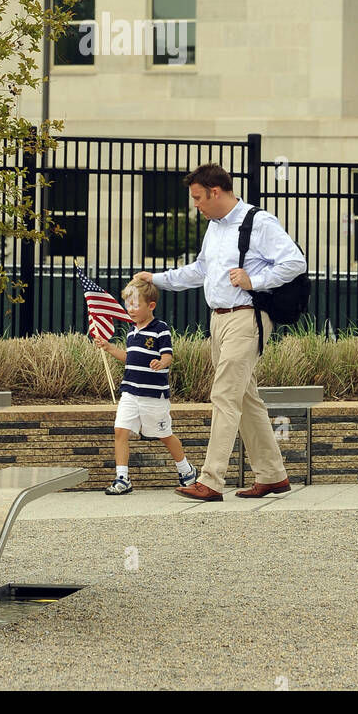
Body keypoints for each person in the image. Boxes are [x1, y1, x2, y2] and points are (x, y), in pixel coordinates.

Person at [135, 163, 306, 501]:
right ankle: (273, 476)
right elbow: (200, 270)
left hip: (247, 317)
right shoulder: (214, 227)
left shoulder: (259, 222)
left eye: (198, 197)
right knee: (245, 398)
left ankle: (211, 480)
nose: (195, 205)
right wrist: (156, 279)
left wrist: (254, 280)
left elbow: (294, 262)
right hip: (219, 320)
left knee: (224, 395)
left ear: (215, 192)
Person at [93, 276, 197, 495]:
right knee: (120, 431)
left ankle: (186, 470)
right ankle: (122, 478)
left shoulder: (160, 328)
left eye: (135, 305)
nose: (130, 309)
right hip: (130, 391)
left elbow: (168, 355)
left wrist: (162, 362)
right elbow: (130, 358)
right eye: (127, 304)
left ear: (150, 306)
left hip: (153, 396)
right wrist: (110, 348)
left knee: (164, 434)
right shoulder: (132, 332)